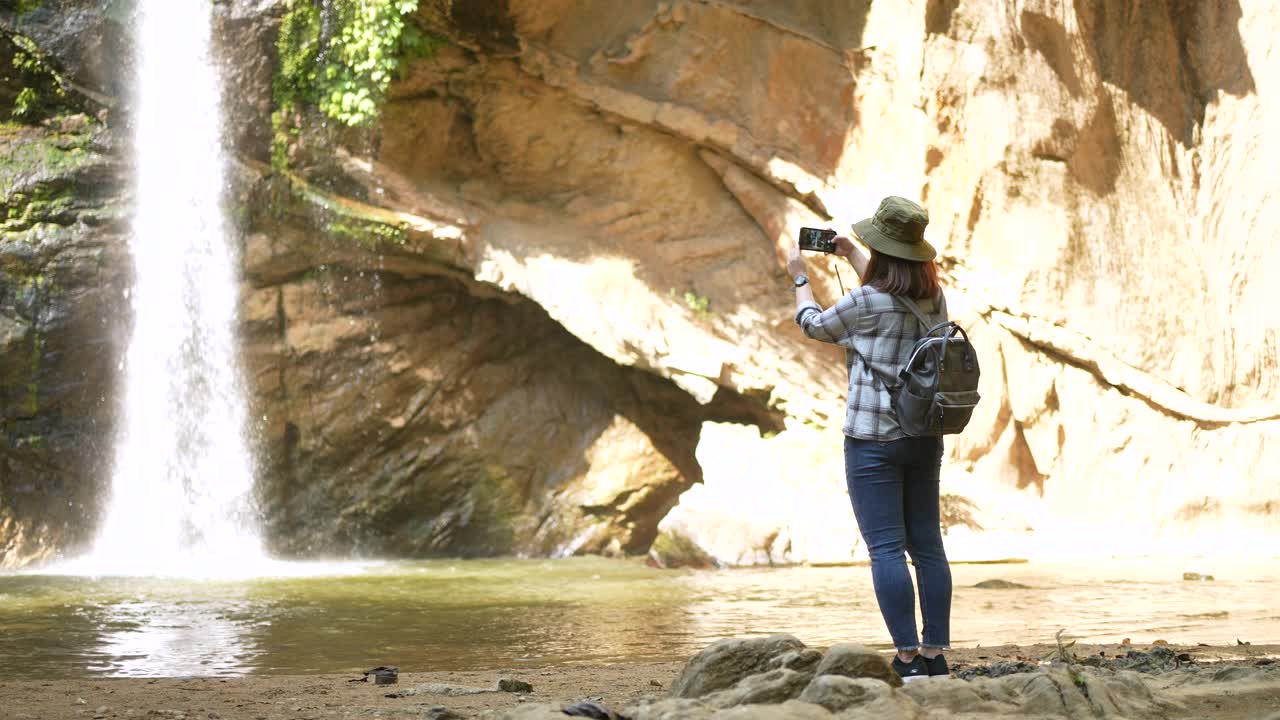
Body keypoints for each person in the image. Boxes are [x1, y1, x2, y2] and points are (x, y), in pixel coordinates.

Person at [787, 196, 952, 682]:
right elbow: (893, 292)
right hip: (924, 436)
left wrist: (801, 278)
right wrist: (848, 254)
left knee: (886, 549)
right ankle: (936, 656)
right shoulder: (934, 299)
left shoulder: (862, 303)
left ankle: (906, 659)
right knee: (928, 547)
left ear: (879, 250)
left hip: (872, 442)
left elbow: (814, 325)